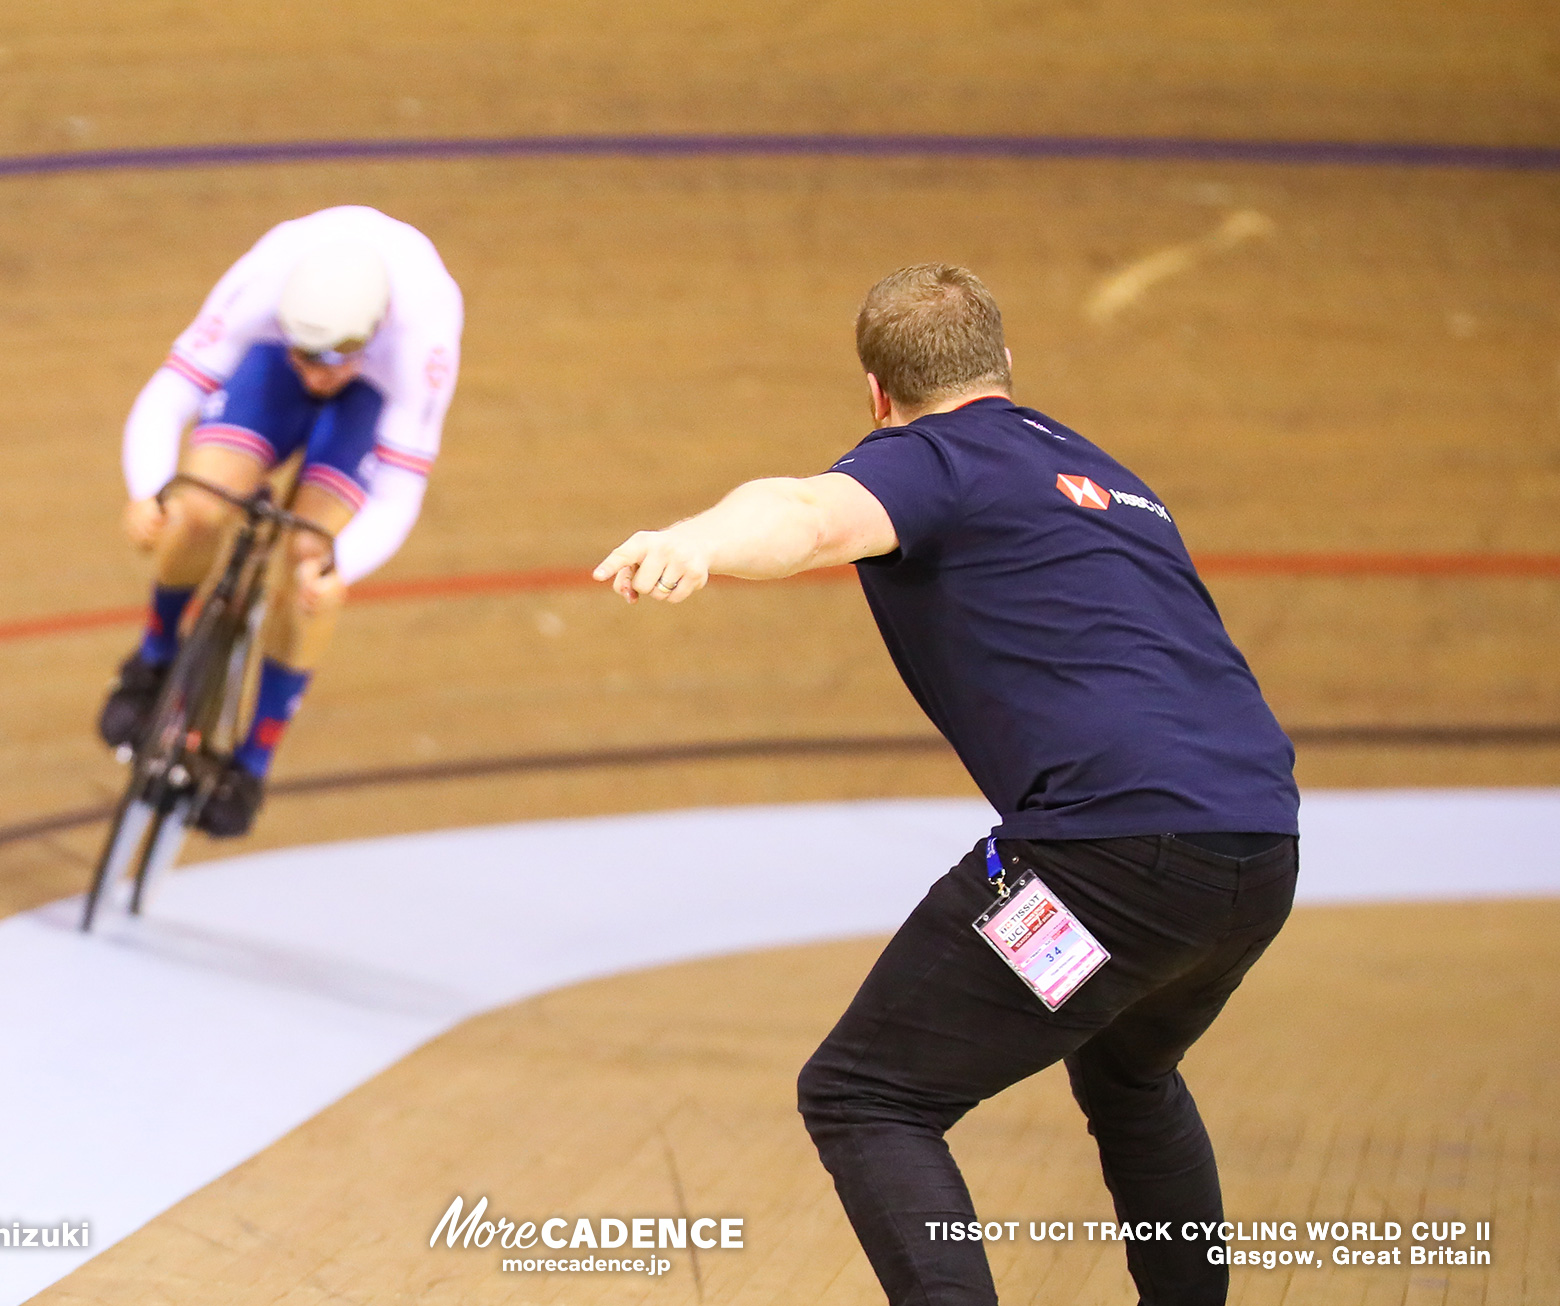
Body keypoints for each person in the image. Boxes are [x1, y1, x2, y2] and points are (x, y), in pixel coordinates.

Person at [593, 264, 1298, 1305]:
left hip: (1107, 863)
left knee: (864, 1093)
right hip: (1255, 852)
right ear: (1006, 369)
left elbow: (804, 511)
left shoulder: (926, 461)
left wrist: (692, 543)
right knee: (1129, 1074)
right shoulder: (1103, 473)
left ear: (877, 397)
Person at [101, 205, 462, 837]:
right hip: (265, 367)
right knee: (198, 508)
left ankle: (252, 761)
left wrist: (339, 566)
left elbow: (401, 491)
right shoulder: (267, 277)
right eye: (307, 355)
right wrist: (148, 493)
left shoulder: (423, 331)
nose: (318, 374)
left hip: (371, 403)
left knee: (307, 562)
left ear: (372, 331)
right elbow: (169, 395)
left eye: (334, 359)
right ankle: (153, 659)